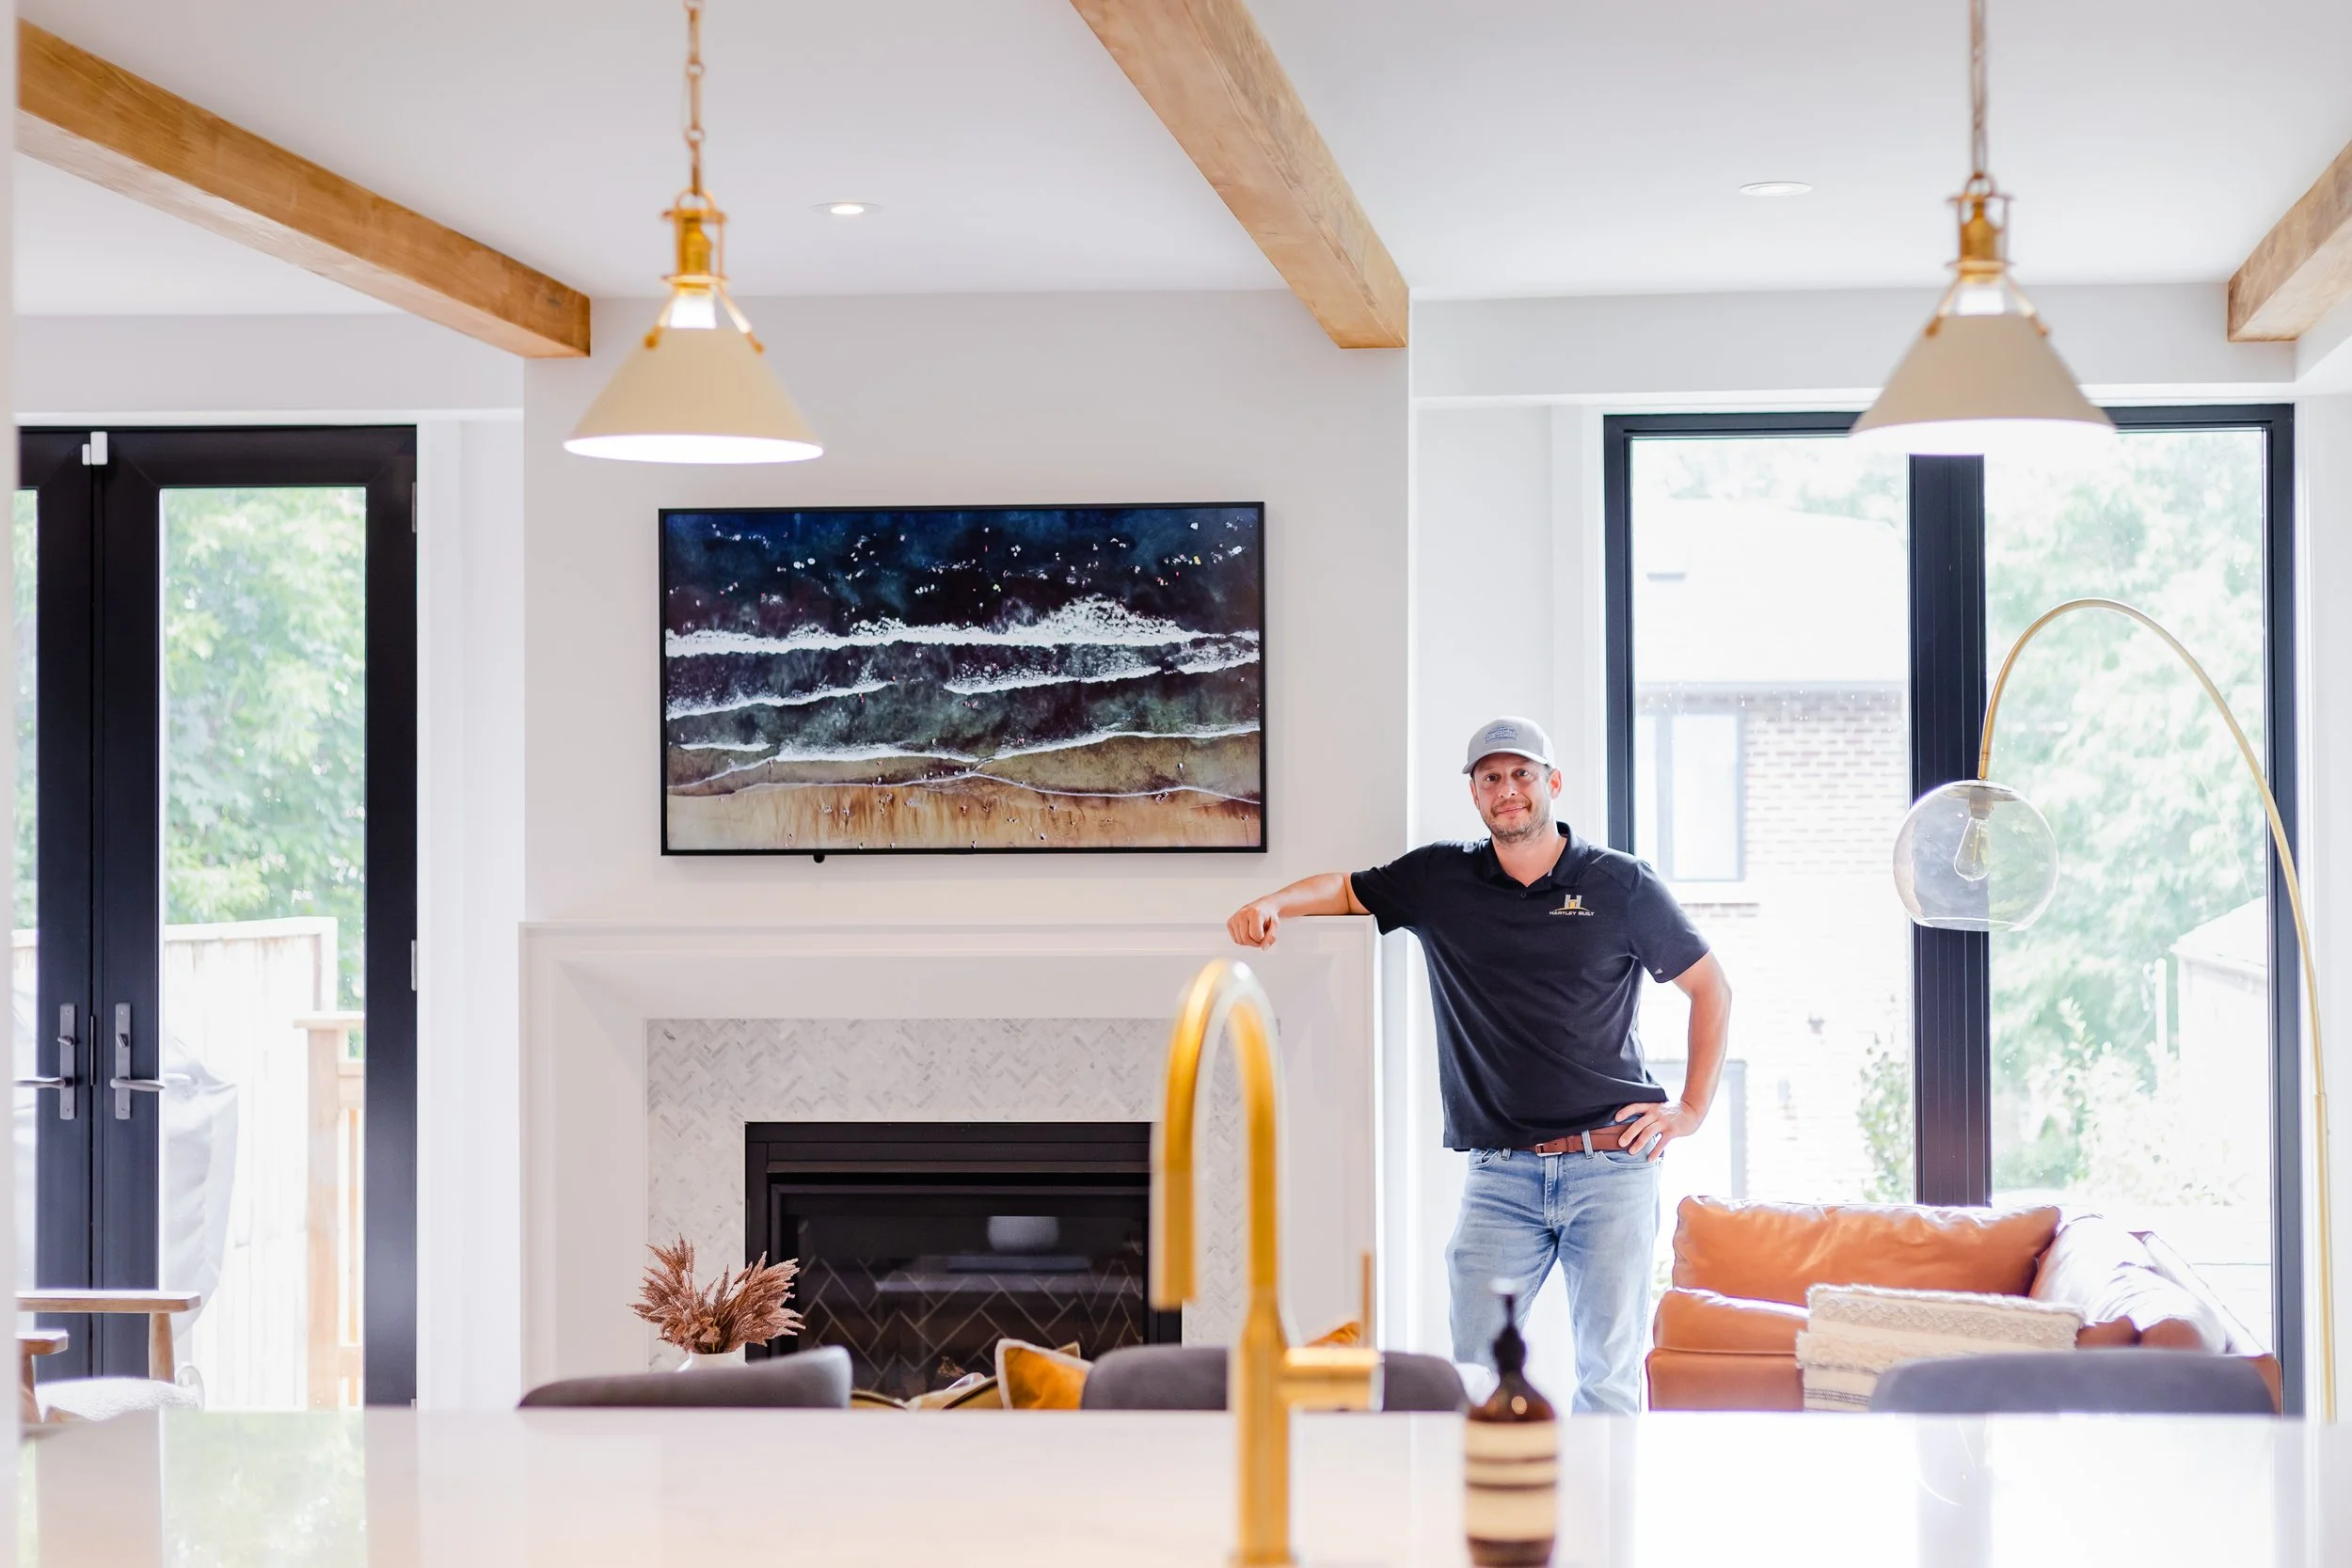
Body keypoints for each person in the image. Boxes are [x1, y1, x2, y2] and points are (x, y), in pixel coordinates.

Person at [1225, 715, 1730, 1414]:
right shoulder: (1442, 878)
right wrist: (1272, 901)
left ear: (1552, 782)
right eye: (1490, 777)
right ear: (1474, 793)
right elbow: (1344, 889)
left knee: (1607, 1378)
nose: (1508, 789)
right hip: (1500, 1177)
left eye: (1522, 773)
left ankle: (1601, 1521)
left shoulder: (1619, 884)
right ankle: (1488, 1517)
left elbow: (1710, 987)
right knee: (1474, 1375)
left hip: (1610, 1165)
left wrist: (1692, 1109)